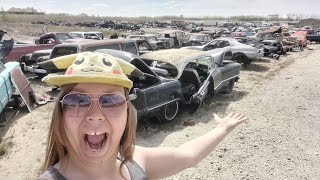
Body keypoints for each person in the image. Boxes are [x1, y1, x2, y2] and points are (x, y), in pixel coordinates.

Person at [38, 52, 248, 180]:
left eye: (110, 101)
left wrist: (222, 128)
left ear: (128, 112)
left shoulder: (135, 160)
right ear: (61, 115)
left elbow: (188, 155)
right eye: (77, 101)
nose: (95, 115)